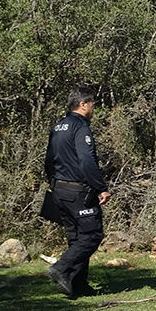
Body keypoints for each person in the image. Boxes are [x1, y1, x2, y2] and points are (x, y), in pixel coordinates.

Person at [43, 86, 111, 298]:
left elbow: (48, 160)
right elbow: (86, 160)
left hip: (60, 189)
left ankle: (78, 285)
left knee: (76, 237)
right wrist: (101, 187)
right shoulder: (80, 126)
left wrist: (54, 185)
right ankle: (61, 269)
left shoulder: (59, 126)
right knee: (92, 235)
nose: (93, 109)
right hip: (77, 191)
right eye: (92, 104)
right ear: (83, 104)